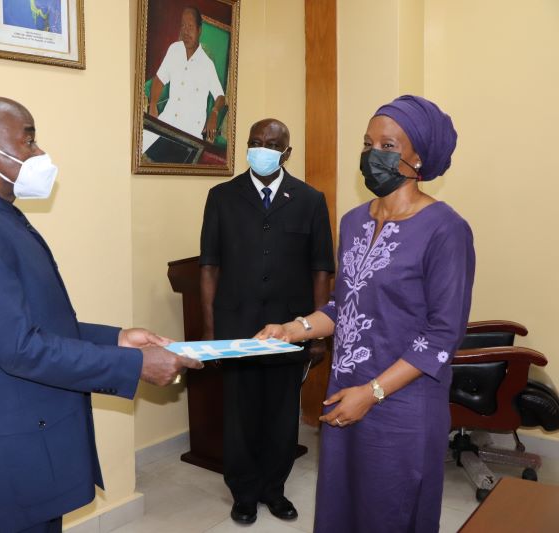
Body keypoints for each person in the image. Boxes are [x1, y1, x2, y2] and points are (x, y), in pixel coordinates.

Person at [0, 97, 202, 533]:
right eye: (29, 140)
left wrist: (118, 339)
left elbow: (36, 322)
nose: (39, 153)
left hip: (30, 435)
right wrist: (134, 365)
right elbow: (19, 347)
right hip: (2, 452)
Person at [256, 95, 475, 532]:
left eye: (388, 145)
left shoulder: (446, 230)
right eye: (367, 142)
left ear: (419, 157)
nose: (373, 154)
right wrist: (292, 329)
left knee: (390, 511)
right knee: (342, 505)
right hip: (345, 392)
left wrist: (371, 394)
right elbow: (343, 303)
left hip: (403, 405)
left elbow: (442, 335)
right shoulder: (354, 220)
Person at [199, 118, 335, 525]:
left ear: (286, 153)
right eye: (255, 142)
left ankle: (274, 489)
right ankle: (243, 493)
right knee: (239, 416)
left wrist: (316, 331)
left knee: (280, 416)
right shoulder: (221, 196)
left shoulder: (310, 200)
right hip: (236, 328)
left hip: (289, 329)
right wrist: (210, 333)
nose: (262, 149)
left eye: (271, 144)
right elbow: (209, 266)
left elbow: (321, 270)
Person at [142, 6, 226, 155]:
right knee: (139, 149)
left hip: (189, 133)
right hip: (166, 121)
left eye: (190, 26)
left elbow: (220, 96)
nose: (186, 31)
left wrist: (213, 112)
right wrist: (154, 104)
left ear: (199, 30)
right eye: (183, 26)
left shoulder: (207, 65)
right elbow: (159, 79)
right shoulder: (174, 50)